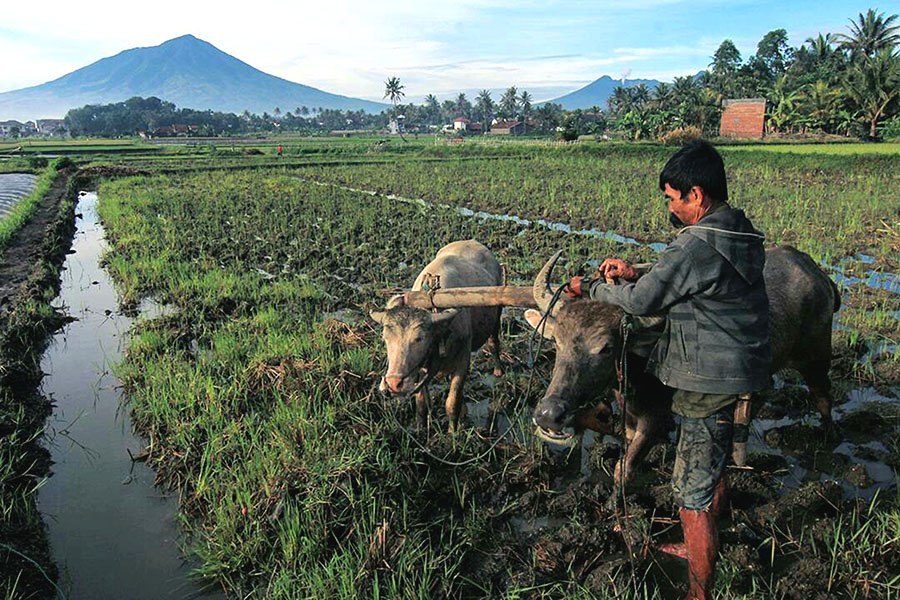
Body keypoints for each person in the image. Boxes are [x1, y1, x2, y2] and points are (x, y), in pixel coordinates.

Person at [565, 141, 771, 600]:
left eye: (672, 199)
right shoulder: (739, 230)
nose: (671, 209)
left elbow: (642, 303)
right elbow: (696, 277)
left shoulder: (695, 243)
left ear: (695, 195)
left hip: (709, 375)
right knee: (712, 459)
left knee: (688, 492)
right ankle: (714, 532)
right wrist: (639, 271)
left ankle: (701, 587)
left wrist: (594, 287)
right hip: (746, 364)